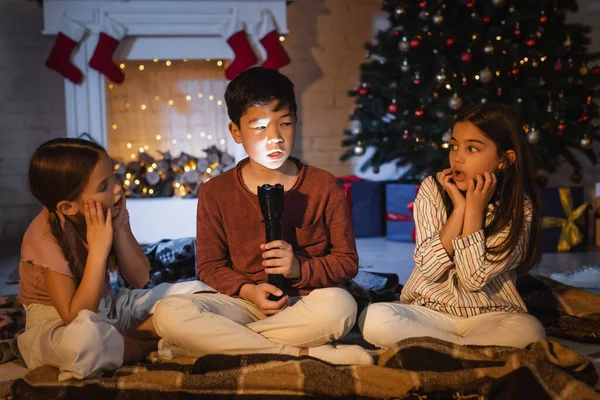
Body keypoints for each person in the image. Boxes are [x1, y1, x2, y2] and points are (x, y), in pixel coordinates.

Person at [152, 67, 373, 365]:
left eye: (285, 124)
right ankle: (302, 352)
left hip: (306, 304)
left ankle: (207, 345)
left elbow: (346, 261)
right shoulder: (215, 192)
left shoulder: (323, 185)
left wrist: (299, 268)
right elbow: (210, 266)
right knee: (169, 312)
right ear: (236, 132)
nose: (275, 139)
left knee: (342, 306)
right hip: (244, 304)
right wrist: (248, 290)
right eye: (259, 127)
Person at [17, 138, 212, 380]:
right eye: (103, 186)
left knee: (197, 292)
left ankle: (128, 339)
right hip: (59, 324)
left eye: (114, 176)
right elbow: (75, 317)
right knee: (85, 343)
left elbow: (140, 278)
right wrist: (99, 250)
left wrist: (120, 229)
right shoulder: (45, 235)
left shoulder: (109, 210)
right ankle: (142, 344)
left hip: (107, 305)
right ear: (68, 207)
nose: (117, 188)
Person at [359, 103, 546, 349]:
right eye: (454, 145)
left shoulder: (519, 206)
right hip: (429, 311)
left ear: (504, 159)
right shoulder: (433, 188)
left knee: (531, 331)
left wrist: (475, 211)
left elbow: (472, 278)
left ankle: (440, 350)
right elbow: (428, 268)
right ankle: (472, 351)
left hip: (491, 314)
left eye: (472, 148)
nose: (457, 157)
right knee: (373, 319)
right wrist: (459, 210)